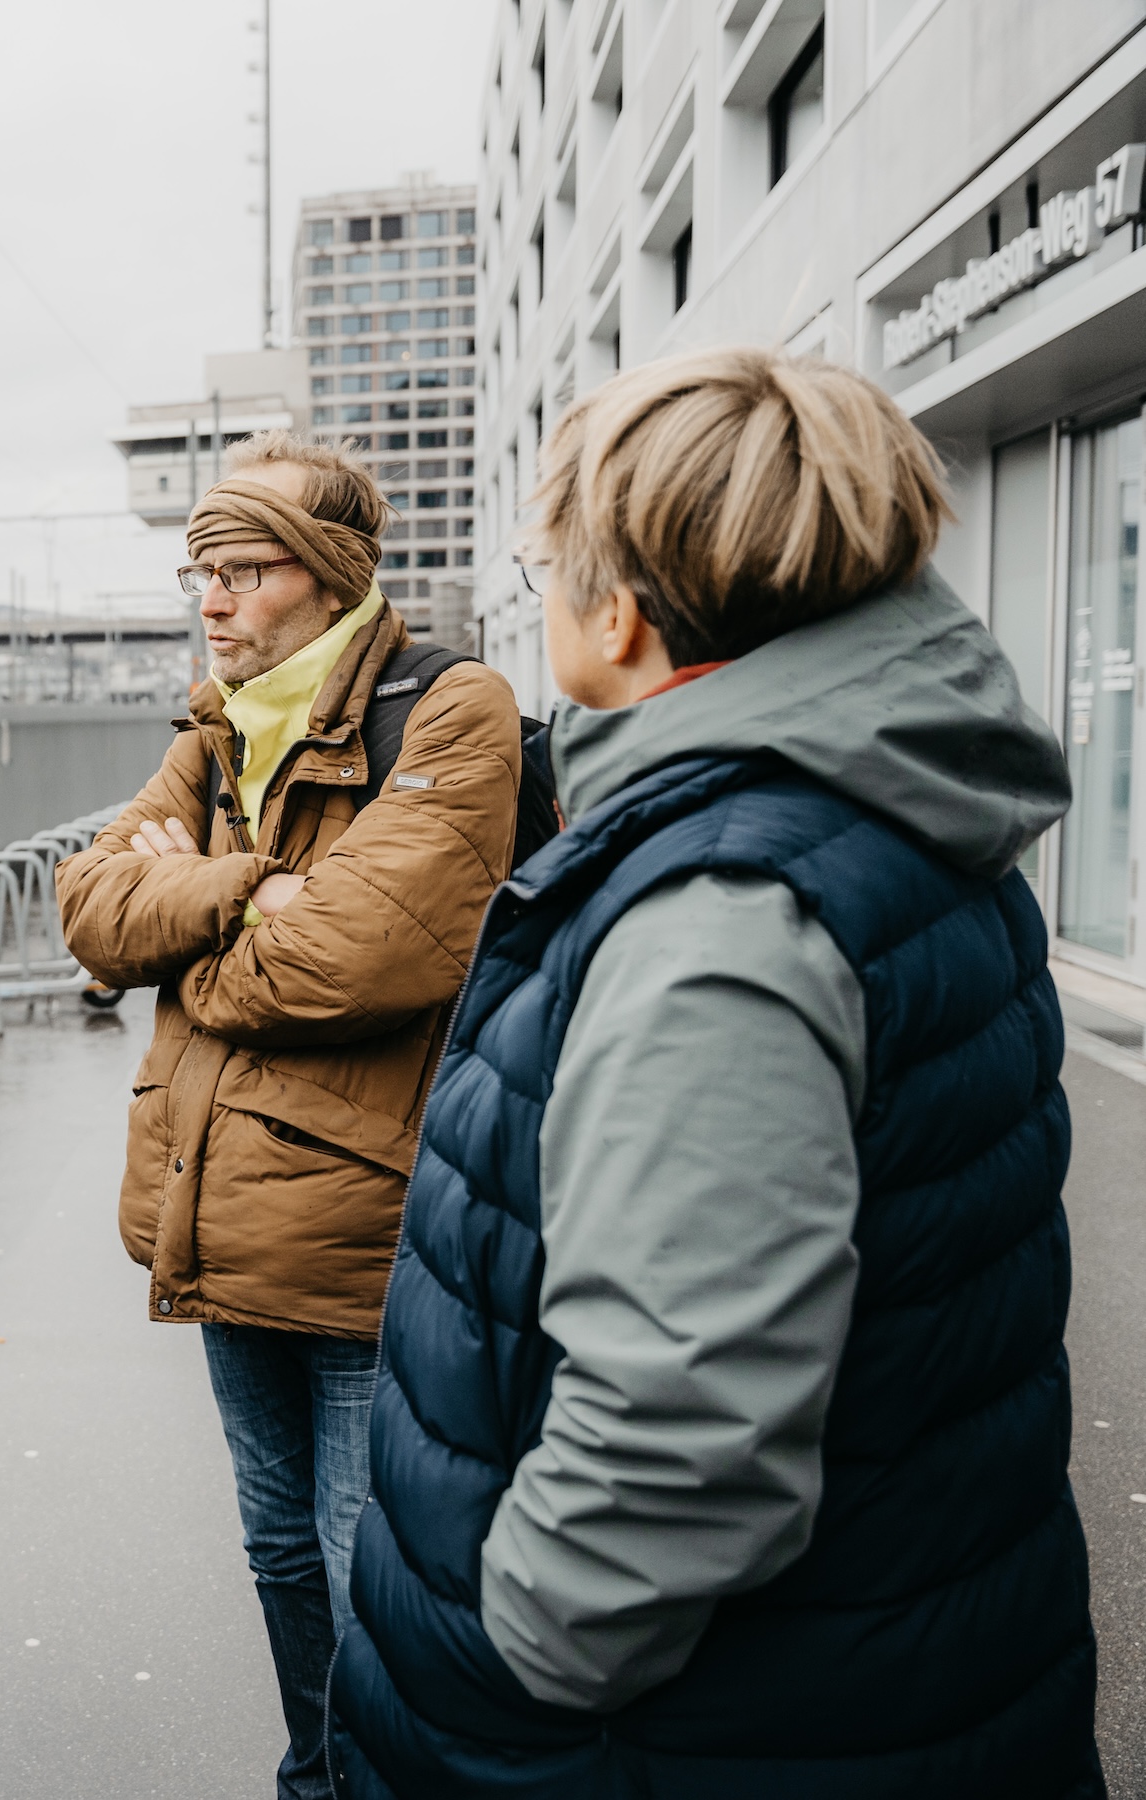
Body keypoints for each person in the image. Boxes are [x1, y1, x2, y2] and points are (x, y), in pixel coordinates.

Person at [331, 348, 1100, 1794]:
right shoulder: (881, 805)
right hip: (887, 1670)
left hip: (688, 1736)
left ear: (618, 613)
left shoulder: (722, 920)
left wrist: (518, 1661)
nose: (538, 592)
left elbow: (682, 1436)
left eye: (545, 562)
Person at [54, 432, 521, 1800]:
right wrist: (252, 885)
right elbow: (89, 911)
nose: (211, 602)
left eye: (241, 573)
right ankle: (316, 1778)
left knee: (371, 1560)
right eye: (198, 573)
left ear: (325, 580)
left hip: (368, 1231)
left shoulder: (452, 711)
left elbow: (353, 958)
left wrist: (193, 890)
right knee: (275, 1549)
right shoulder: (216, 724)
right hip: (216, 1205)